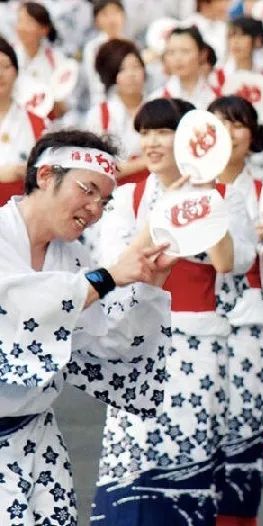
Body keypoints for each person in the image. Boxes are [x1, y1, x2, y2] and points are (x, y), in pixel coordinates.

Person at [91, 97, 256, 524]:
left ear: (188, 139)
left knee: (192, 448)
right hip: (137, 340)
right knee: (132, 454)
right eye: (145, 132)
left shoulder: (226, 195)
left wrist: (201, 198)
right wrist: (167, 205)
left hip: (199, 341)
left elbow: (229, 263)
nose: (152, 141)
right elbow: (118, 261)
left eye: (164, 131)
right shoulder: (128, 197)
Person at [0, 128, 175, 525]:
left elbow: (107, 342)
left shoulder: (74, 257)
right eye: (88, 189)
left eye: (105, 199)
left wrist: (148, 287)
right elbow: (17, 306)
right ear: (45, 176)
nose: (95, 208)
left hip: (36, 435)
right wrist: (106, 278)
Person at [209, 94, 263, 525]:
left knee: (246, 424)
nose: (228, 133)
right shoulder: (185, 188)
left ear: (252, 134)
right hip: (195, 314)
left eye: (237, 124)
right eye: (219, 123)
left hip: (251, 315)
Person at [85, 38, 148, 183]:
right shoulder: (99, 115)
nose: (131, 74)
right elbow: (97, 168)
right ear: (111, 75)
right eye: (122, 70)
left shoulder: (158, 106)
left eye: (136, 66)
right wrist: (143, 163)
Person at [0, 37, 47, 206]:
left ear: (16, 72)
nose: (0, 73)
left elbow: (50, 173)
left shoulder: (38, 123)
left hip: (22, 213)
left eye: (6, 66)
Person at [152, 26, 221, 109]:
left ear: (202, 54)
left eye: (185, 51)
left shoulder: (218, 96)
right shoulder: (157, 100)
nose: (178, 58)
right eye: (171, 52)